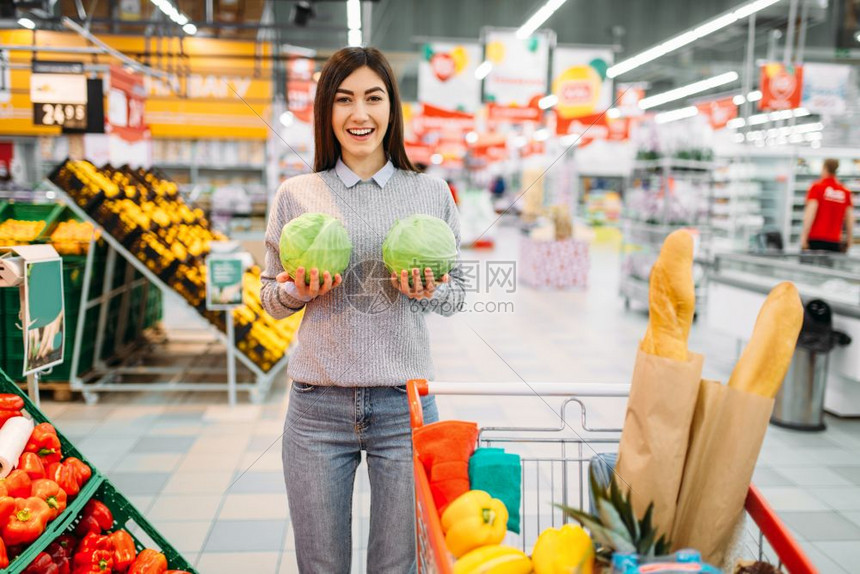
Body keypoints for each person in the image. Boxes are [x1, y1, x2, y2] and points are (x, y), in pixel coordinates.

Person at [260, 46, 465, 573]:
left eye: (374, 98)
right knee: (321, 565)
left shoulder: (430, 191)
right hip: (316, 407)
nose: (360, 114)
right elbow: (269, 298)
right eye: (344, 99)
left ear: (391, 109)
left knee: (398, 566)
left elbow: (457, 292)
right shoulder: (296, 194)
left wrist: (428, 292)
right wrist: (298, 292)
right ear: (327, 111)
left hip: (405, 407)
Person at [800, 158, 854, 253]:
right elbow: (850, 219)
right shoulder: (845, 191)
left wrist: (804, 237)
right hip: (835, 240)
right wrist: (849, 239)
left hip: (815, 238)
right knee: (828, 267)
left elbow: (810, 213)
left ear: (824, 168)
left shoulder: (817, 187)